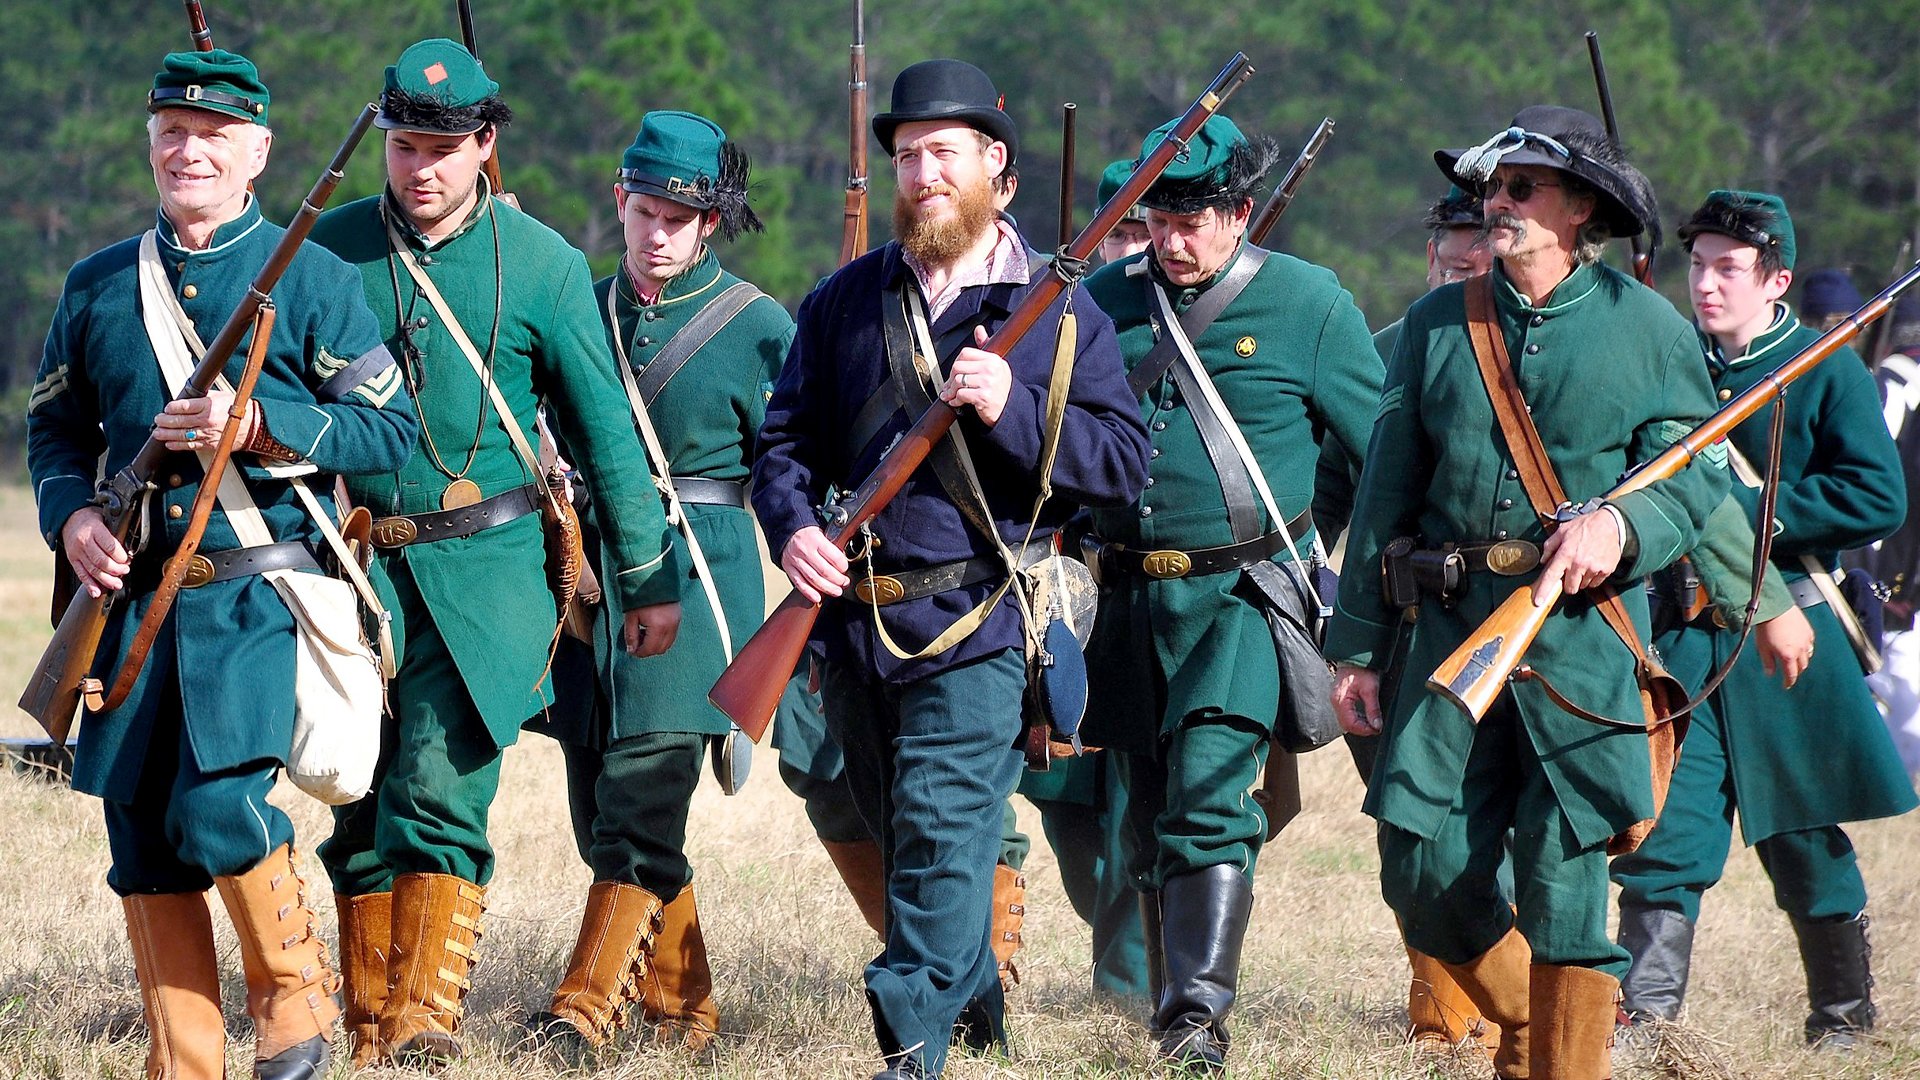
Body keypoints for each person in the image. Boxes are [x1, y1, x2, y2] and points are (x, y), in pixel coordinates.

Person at [751, 57, 1148, 1080]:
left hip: (977, 624)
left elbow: (1121, 465)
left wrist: (1005, 405)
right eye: (907, 155)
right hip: (853, 629)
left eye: (942, 153)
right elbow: (784, 444)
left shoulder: (1056, 309)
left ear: (996, 168)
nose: (921, 173)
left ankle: (908, 1049)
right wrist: (791, 527)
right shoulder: (843, 300)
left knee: (935, 832)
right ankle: (977, 1021)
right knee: (912, 842)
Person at [25, 49, 418, 1080]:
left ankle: (293, 1005)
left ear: (256, 154)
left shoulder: (316, 279)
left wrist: (257, 425)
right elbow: (55, 430)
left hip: (259, 589)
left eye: (213, 137)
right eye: (171, 132)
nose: (188, 151)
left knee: (212, 809)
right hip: (134, 606)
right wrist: (70, 520)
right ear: (151, 143)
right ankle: (187, 1064)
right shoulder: (99, 284)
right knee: (141, 845)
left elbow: (390, 434)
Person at [1325, 105, 1729, 1079]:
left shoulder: (1651, 330)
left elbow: (1695, 476)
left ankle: (1561, 1063)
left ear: (1580, 207)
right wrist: (1354, 643)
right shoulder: (1433, 324)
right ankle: (1524, 1027)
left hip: (1581, 646)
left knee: (1563, 886)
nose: (1493, 205)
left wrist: (1620, 527)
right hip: (1449, 640)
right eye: (1489, 190)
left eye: (1520, 189)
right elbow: (1384, 489)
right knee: (1418, 870)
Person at [308, 38, 681, 1067]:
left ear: (483, 145)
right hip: (353, 570)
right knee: (357, 804)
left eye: (440, 146)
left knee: (435, 786)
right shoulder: (329, 249)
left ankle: (424, 1023)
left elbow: (607, 437)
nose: (418, 168)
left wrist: (646, 578)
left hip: (490, 571)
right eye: (400, 145)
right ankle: (370, 1029)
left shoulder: (547, 265)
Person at [1077, 113, 1384, 1073]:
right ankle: (1169, 999)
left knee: (1211, 797)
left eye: (1193, 218)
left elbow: (1380, 462)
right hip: (1128, 603)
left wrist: (1348, 584)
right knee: (1147, 815)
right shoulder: (1100, 302)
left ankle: (1195, 1021)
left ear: (1241, 212)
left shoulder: (1311, 303)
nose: (1171, 239)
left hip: (1244, 599)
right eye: (1156, 217)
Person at [1611, 190, 1916, 1050]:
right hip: (1684, 635)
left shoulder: (1825, 366)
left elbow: (1875, 495)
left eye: (1728, 269)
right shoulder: (1675, 362)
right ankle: (1644, 1024)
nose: (1705, 285)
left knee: (1804, 836)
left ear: (1776, 279)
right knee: (1666, 837)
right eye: (1698, 266)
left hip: (1791, 632)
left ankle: (1844, 1022)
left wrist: (1751, 510)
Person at [525, 110, 793, 1058]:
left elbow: (792, 470)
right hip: (588, 581)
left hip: (701, 584)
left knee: (643, 797)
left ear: (710, 222)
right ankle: (684, 1008)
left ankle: (582, 1013)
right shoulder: (575, 309)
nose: (657, 234)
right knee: (600, 809)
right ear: (619, 202)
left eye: (678, 219)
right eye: (643, 212)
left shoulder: (759, 327)